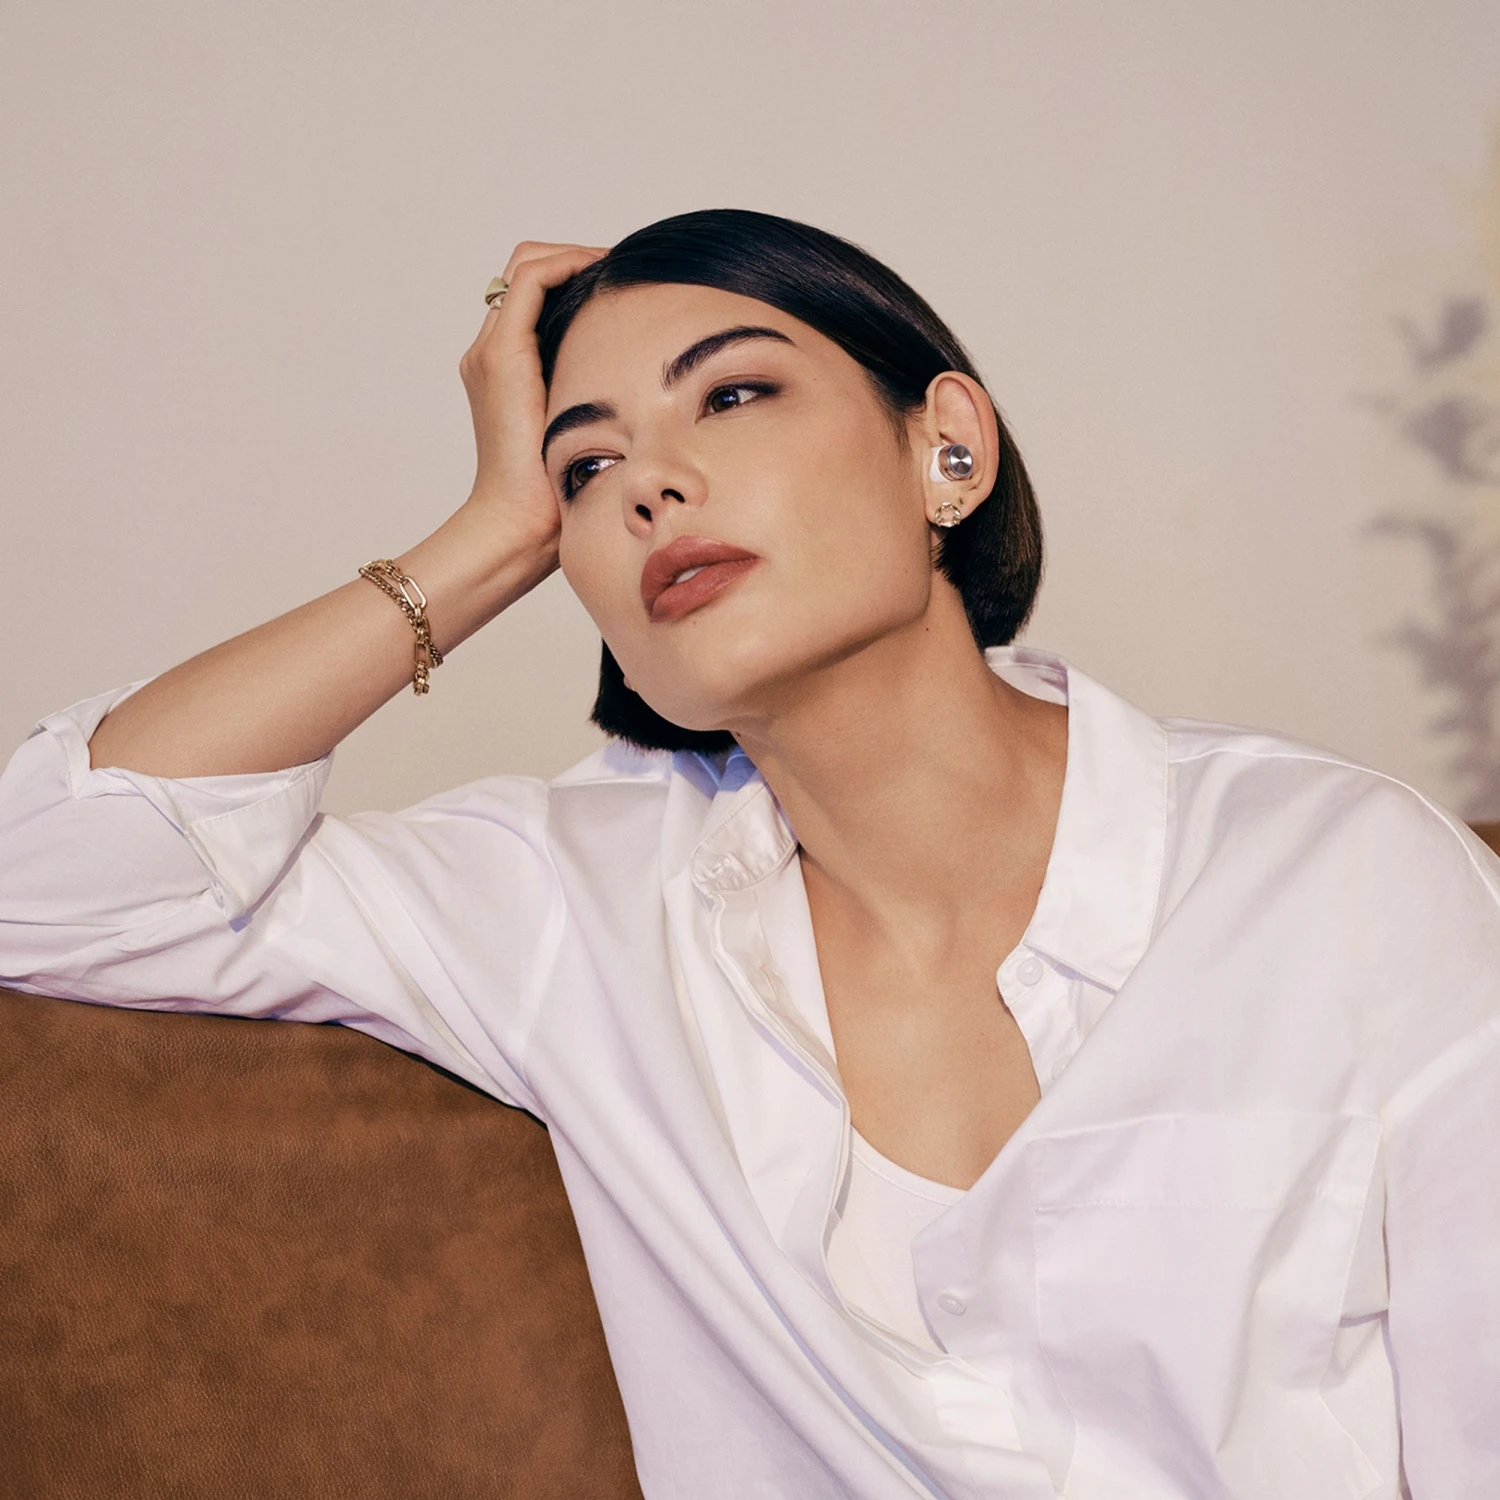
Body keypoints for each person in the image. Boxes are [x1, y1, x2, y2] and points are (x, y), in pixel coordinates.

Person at [1, 208, 1496, 1500]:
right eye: (585, 469)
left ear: (948, 447)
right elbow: (52, 877)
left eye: (731, 396)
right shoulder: (573, 901)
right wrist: (489, 535)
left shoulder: (1343, 877)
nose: (647, 486)